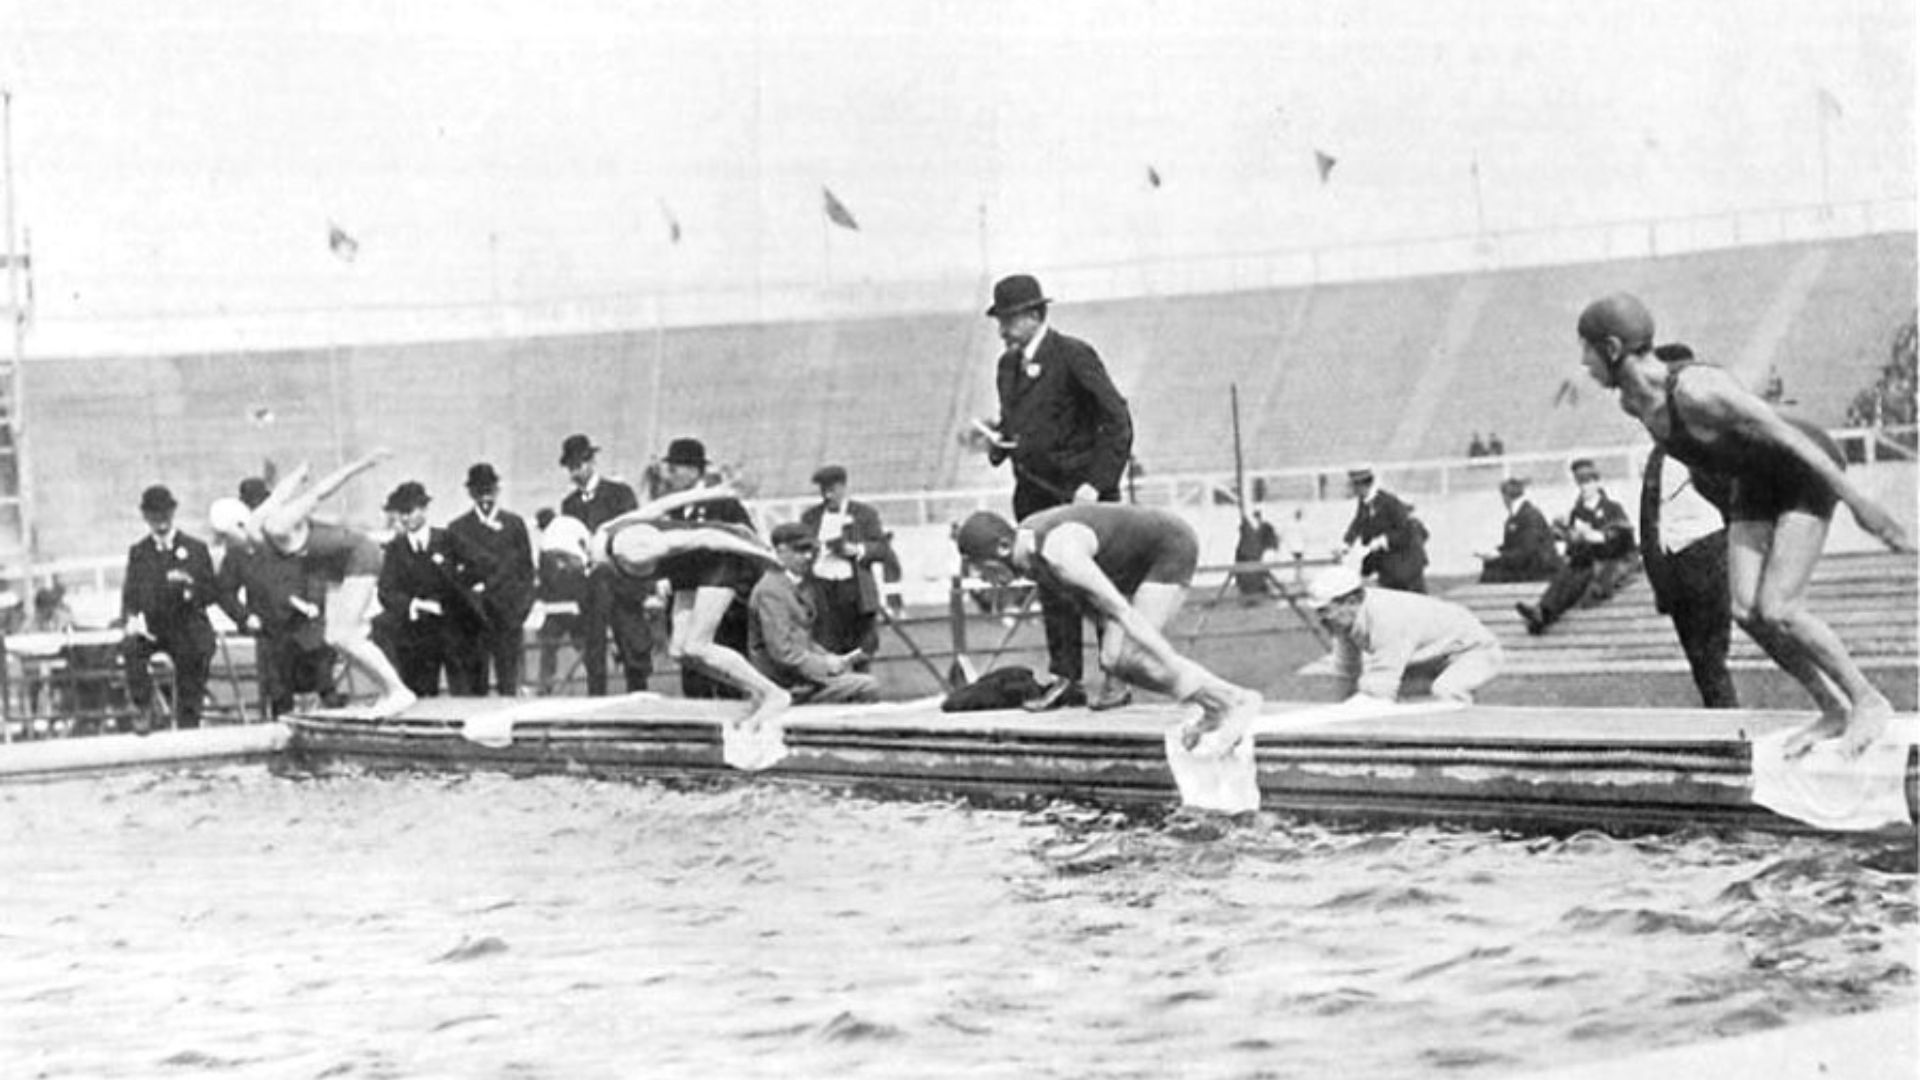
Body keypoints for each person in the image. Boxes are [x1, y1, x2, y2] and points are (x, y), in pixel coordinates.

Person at [1575, 292, 1912, 757]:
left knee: (1778, 609)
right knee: (1743, 609)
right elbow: (1705, 460)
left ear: (1611, 348)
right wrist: (1736, 515)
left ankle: (1867, 701)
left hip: (1801, 470)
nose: (1584, 363)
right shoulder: (1634, 404)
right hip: (1752, 482)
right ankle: (1831, 708)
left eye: (1587, 351)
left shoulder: (1697, 389)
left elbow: (1785, 433)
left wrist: (1859, 503)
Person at [954, 504, 1262, 750]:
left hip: (1169, 547)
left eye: (981, 567)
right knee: (1114, 658)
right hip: (1134, 560)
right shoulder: (1029, 551)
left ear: (1003, 547)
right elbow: (1091, 605)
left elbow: (1123, 613)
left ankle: (1234, 700)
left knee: (1132, 656)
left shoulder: (1059, 553)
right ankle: (1216, 705)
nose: (982, 578)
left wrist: (1163, 659)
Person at [978, 273, 1135, 710]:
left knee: (1099, 587)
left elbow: (1117, 422)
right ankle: (1067, 677)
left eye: (1008, 319)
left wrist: (1096, 484)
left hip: (1081, 500)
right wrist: (998, 444)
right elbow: (1014, 428)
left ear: (1033, 315)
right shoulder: (1007, 367)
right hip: (1034, 499)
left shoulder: (1073, 355)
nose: (1002, 329)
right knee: (1053, 589)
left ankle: (1116, 675)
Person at [208, 449, 415, 717]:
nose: (226, 546)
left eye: (226, 538)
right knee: (336, 637)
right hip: (339, 567)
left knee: (342, 635)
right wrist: (298, 474)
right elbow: (281, 491)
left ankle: (398, 691)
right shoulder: (259, 519)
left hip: (359, 555)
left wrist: (360, 464)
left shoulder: (276, 526)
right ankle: (389, 692)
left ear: (239, 524)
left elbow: (319, 493)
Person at [591, 485, 790, 729]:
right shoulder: (606, 531)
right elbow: (665, 504)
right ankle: (754, 688)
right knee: (680, 651)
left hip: (719, 560)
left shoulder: (635, 550)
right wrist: (715, 491)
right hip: (687, 569)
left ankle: (774, 693)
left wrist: (762, 555)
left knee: (698, 645)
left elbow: (707, 537)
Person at [215, 476, 335, 718]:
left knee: (322, 675)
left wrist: (313, 603)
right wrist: (245, 617)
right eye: (253, 508)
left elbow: (316, 571)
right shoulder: (239, 550)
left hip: (304, 622)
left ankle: (330, 717)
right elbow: (224, 591)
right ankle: (283, 725)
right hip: (269, 628)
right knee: (279, 688)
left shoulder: (291, 530)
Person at [1305, 564, 1502, 705]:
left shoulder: (1387, 616)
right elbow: (1347, 672)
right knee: (1405, 701)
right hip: (1433, 657)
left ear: (1352, 601)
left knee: (1447, 692)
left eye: (1325, 610)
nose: (1322, 619)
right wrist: (1339, 715)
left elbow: (1380, 687)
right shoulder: (1345, 622)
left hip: (1474, 651)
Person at [655, 437, 758, 699]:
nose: (670, 476)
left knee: (725, 678)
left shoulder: (722, 504)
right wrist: (663, 577)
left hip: (720, 603)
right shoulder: (675, 507)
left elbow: (748, 544)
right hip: (686, 596)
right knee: (689, 664)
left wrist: (737, 590)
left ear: (692, 470)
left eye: (675, 469)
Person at [1642, 444, 1738, 709]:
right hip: (1673, 561)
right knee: (1698, 658)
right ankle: (1723, 719)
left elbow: (1735, 502)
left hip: (1708, 551)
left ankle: (1729, 723)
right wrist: (1659, 581)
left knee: (1712, 655)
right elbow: (1648, 518)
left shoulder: (1708, 447)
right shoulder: (1658, 456)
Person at [558, 433, 653, 695]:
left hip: (622, 582)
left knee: (632, 646)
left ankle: (640, 701)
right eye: (571, 468)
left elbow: (632, 532)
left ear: (591, 462)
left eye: (579, 465)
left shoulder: (619, 494)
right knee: (594, 650)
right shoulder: (570, 504)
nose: (575, 473)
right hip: (591, 588)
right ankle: (596, 704)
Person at [120, 484, 219, 731]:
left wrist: (189, 588)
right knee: (131, 647)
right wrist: (131, 619)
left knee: (193, 651)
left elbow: (210, 592)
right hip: (155, 629)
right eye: (154, 516)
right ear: (146, 518)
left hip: (187, 626)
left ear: (172, 513)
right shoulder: (139, 553)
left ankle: (189, 718)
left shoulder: (195, 549)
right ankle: (143, 708)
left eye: (164, 514)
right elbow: (130, 596)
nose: (160, 522)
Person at [748, 523, 880, 703]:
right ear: (780, 551)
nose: (808, 556)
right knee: (866, 685)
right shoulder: (771, 590)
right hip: (782, 684)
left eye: (811, 549)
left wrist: (830, 658)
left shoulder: (793, 586)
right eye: (800, 551)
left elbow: (804, 640)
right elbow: (783, 653)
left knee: (855, 677)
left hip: (798, 677)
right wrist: (825, 665)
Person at [377, 481, 487, 697]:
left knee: (463, 689)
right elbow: (386, 590)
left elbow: (482, 564)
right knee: (421, 692)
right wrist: (414, 604)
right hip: (416, 633)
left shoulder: (447, 539)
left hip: (453, 627)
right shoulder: (395, 549)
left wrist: (457, 587)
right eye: (401, 513)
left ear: (424, 509)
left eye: (409, 511)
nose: (405, 518)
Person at [1515, 460, 1637, 634]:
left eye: (1588, 482)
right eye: (1581, 483)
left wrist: (1596, 536)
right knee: (1567, 572)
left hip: (1608, 559)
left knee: (1582, 575)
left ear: (1597, 483)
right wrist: (1568, 535)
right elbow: (1572, 545)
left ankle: (1544, 614)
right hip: (1585, 557)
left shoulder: (1612, 508)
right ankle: (1541, 610)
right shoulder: (1577, 512)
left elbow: (1623, 536)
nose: (1584, 487)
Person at [448, 463, 536, 697]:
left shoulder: (514, 524)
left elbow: (527, 571)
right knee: (477, 683)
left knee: (509, 681)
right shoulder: (458, 528)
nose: (485, 496)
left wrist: (521, 610)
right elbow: (454, 578)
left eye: (489, 489)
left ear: (497, 490)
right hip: (476, 618)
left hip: (508, 615)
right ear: (470, 493)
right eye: (479, 490)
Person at [798, 464, 894, 662]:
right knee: (825, 646)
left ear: (843, 487)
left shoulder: (864, 514)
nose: (827, 496)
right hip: (821, 591)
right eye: (823, 491)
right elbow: (800, 549)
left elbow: (882, 549)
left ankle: (861, 687)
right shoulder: (810, 517)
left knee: (859, 648)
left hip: (853, 590)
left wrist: (857, 550)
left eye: (832, 490)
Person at [1341, 466, 1429, 593]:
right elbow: (1359, 521)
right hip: (1387, 565)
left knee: (1415, 604)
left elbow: (1405, 531)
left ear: (1362, 485)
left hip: (1406, 564)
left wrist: (1381, 541)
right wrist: (1346, 543)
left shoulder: (1388, 502)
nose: (1350, 489)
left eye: (1353, 486)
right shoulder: (1365, 501)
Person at [1477, 477, 1561, 584]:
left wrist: (1500, 556)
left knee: (1492, 573)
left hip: (1539, 568)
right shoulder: (1519, 515)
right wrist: (1495, 553)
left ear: (1506, 497)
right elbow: (1514, 546)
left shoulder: (1530, 515)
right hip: (1528, 563)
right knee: (1491, 565)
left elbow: (1528, 551)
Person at [1232, 508, 1280, 600]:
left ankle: (1258, 590)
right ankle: (1250, 591)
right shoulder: (1252, 528)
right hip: (1249, 554)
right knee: (1251, 573)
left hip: (1254, 554)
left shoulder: (1262, 527)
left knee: (1259, 573)